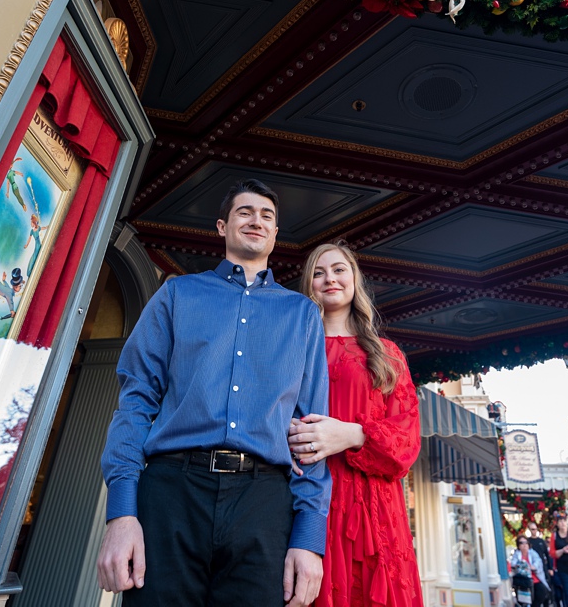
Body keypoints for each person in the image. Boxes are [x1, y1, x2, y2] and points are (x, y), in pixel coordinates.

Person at [97, 179, 331, 607]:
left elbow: (311, 431)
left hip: (264, 501)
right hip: (171, 494)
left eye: (267, 216)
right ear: (222, 227)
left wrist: (309, 537)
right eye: (245, 212)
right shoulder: (177, 293)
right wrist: (122, 512)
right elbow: (135, 400)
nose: (256, 221)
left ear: (275, 235)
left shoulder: (302, 315)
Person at [287, 242, 423, 607]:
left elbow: (407, 442)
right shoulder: (291, 347)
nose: (329, 278)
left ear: (354, 279)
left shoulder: (387, 354)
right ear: (308, 284)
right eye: (318, 272)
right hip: (305, 498)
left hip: (372, 509)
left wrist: (350, 434)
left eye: (338, 269)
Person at [513, 534, 550, 604]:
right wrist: (519, 565)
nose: (524, 545)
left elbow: (538, 562)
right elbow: (513, 563)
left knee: (542, 591)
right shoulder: (517, 554)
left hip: (535, 579)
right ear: (518, 545)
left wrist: (533, 567)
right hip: (523, 581)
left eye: (526, 542)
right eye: (521, 543)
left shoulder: (532, 553)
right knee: (523, 599)